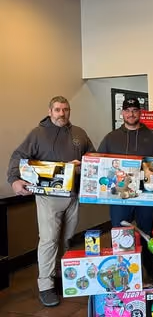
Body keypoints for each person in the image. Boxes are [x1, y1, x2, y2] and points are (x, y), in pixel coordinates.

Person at [7, 96, 95, 307]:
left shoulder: (79, 133)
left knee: (65, 238)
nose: (61, 113)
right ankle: (45, 286)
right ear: (50, 111)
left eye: (65, 109)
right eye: (57, 110)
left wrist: (84, 163)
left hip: (72, 196)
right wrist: (14, 180)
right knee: (48, 240)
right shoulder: (38, 133)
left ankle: (58, 276)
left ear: (69, 111)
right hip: (48, 197)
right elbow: (18, 156)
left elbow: (92, 156)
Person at [97, 97, 153, 282]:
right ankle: (121, 274)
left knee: (146, 233)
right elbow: (99, 160)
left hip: (146, 197)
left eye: (135, 110)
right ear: (122, 113)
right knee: (120, 234)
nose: (131, 114)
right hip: (118, 197)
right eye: (127, 110)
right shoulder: (111, 137)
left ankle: (149, 272)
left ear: (140, 113)